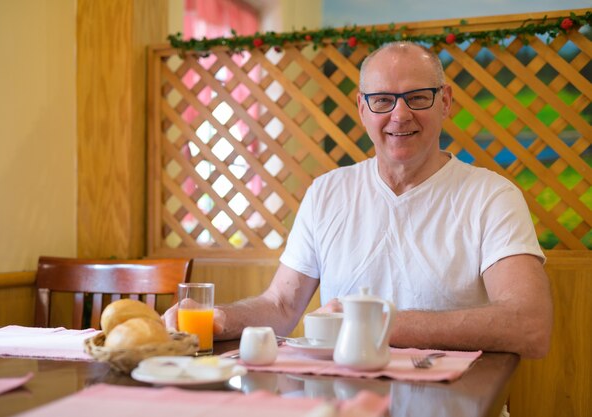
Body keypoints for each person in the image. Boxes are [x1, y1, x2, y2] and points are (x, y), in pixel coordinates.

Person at [164, 41, 553, 358]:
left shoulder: (492, 197)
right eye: (383, 100)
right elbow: (281, 307)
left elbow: (530, 325)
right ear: (362, 108)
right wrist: (219, 318)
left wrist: (376, 321)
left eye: (417, 97)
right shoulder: (327, 193)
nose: (400, 115)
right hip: (340, 403)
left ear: (445, 102)